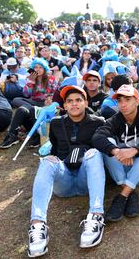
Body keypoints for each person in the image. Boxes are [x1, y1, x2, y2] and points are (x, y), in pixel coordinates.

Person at [27, 85, 106, 257]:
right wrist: (54, 160)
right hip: (65, 180)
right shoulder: (56, 123)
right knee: (47, 160)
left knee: (94, 153)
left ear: (86, 102)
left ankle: (96, 215)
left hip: (86, 179)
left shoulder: (98, 122)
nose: (74, 104)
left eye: (78, 100)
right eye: (69, 101)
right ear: (64, 105)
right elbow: (55, 148)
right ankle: (38, 226)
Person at [92, 84, 139, 222]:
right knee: (108, 145)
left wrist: (135, 150)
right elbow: (97, 137)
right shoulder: (116, 119)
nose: (123, 104)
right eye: (119, 100)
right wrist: (117, 151)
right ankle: (130, 192)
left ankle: (122, 196)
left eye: (127, 99)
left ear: (137, 101)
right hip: (122, 170)